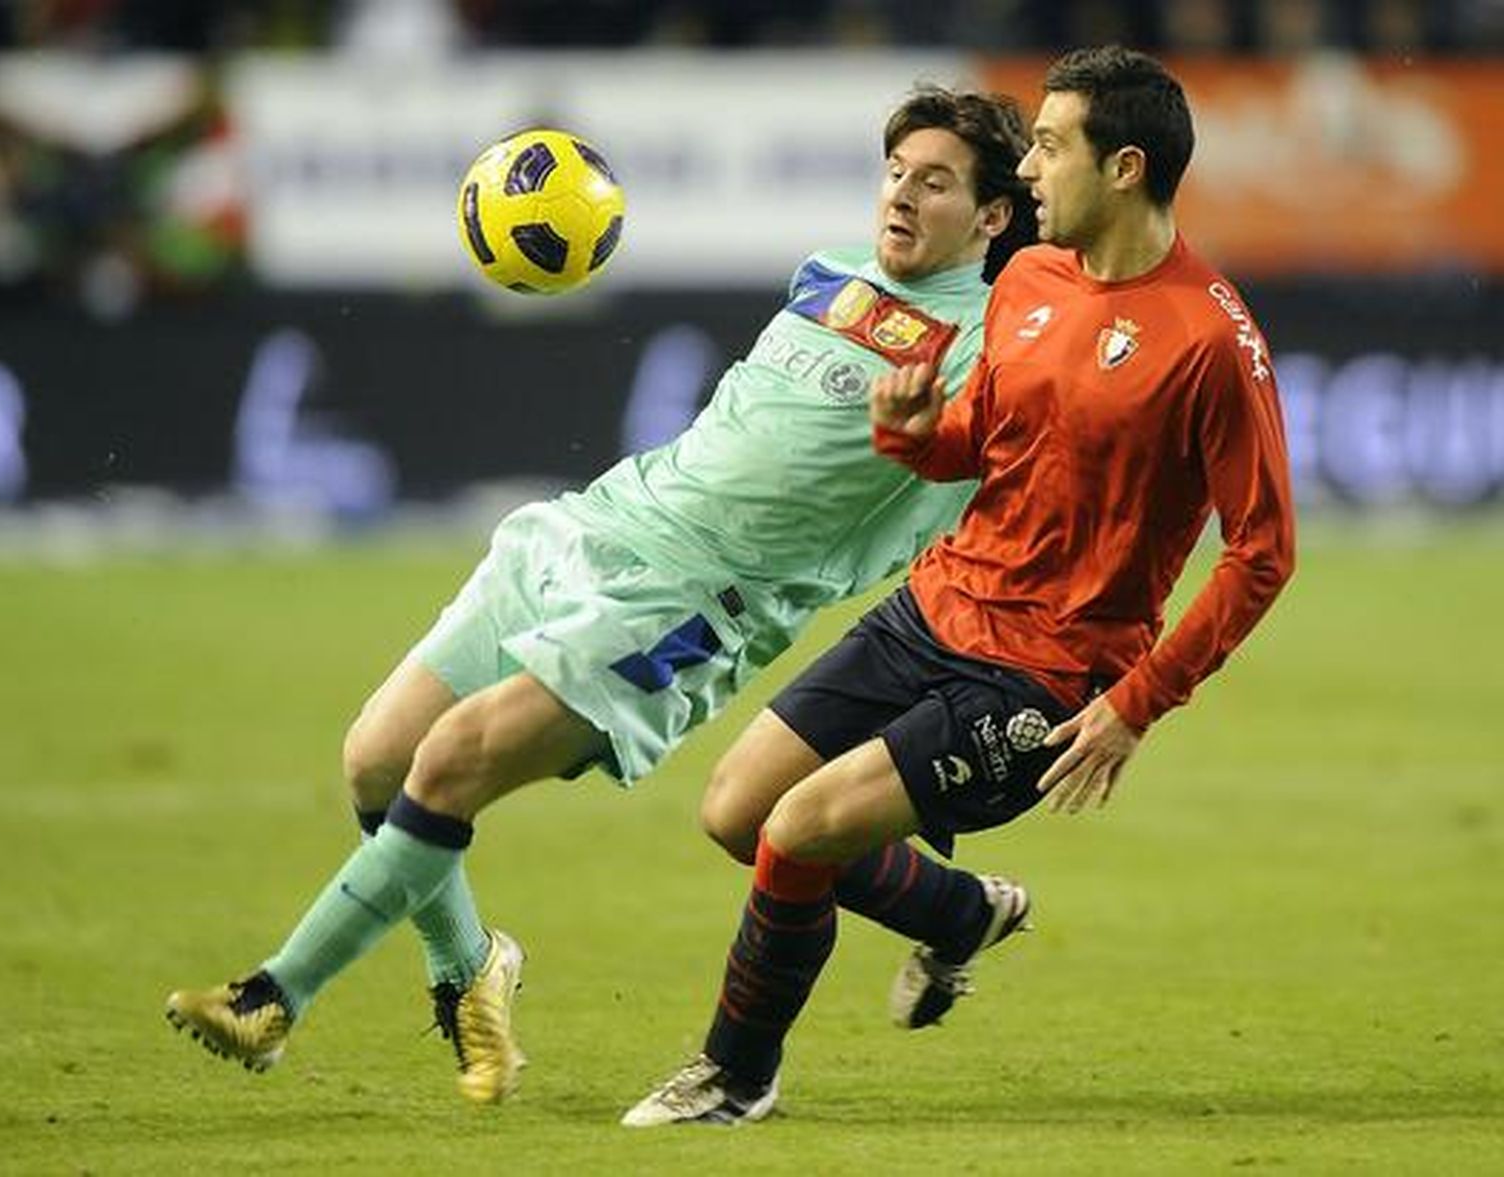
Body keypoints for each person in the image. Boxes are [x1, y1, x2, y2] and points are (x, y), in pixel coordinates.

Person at [164, 86, 1039, 1105]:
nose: (899, 196)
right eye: (894, 173)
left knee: (451, 763)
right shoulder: (828, 275)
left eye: (933, 183)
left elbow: (1010, 461)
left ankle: (274, 997)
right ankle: (468, 969)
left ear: (988, 217)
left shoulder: (993, 348)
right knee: (376, 758)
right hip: (590, 528)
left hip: (693, 606)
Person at [623, 44, 1296, 1128]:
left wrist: (1135, 703)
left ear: (1123, 166)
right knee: (735, 810)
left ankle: (734, 1075)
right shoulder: (1027, 279)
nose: (1026, 171)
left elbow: (1262, 551)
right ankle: (957, 911)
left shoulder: (1210, 341)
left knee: (799, 831)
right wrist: (909, 435)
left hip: (1048, 675)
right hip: (934, 609)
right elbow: (979, 441)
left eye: (1046, 145)